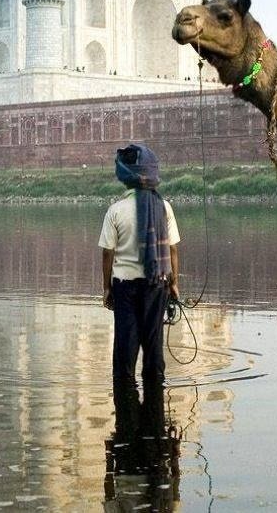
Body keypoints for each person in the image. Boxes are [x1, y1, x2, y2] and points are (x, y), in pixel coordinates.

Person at [100, 143, 181, 391]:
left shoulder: (115, 210)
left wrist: (107, 288)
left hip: (125, 287)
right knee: (153, 343)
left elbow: (108, 254)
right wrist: (174, 283)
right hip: (157, 284)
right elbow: (173, 249)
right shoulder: (163, 207)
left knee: (126, 343)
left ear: (125, 178)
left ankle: (125, 405)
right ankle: (155, 407)